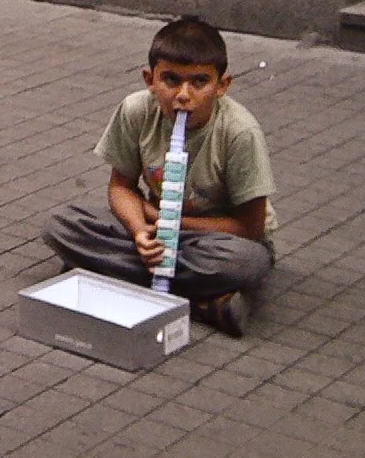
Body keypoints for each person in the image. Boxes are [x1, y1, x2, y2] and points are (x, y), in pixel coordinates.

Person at [42, 17, 276, 337]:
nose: (183, 95)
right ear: (149, 80)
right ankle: (205, 302)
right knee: (61, 224)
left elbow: (250, 228)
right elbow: (121, 186)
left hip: (214, 239)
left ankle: (108, 274)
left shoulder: (239, 132)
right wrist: (140, 233)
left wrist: (168, 220)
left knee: (247, 262)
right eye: (170, 80)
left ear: (222, 86)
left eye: (199, 82)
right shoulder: (136, 110)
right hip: (153, 231)